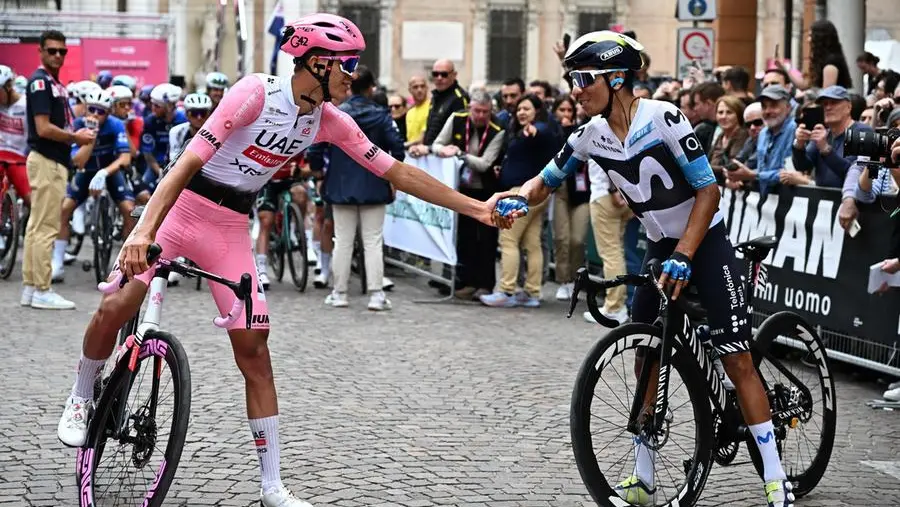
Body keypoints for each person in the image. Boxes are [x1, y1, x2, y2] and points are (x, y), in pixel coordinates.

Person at [55, 14, 513, 507]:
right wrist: (142, 230)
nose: (352, 76)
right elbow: (188, 161)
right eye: (347, 65)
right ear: (317, 62)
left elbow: (396, 172)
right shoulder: (256, 92)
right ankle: (82, 393)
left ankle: (272, 485)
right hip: (180, 207)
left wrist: (478, 208)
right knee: (118, 304)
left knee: (255, 350)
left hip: (229, 226)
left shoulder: (329, 120)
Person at [500, 30, 795, 507]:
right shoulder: (589, 134)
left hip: (705, 242)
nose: (575, 88)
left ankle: (776, 479)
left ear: (617, 78)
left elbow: (708, 191)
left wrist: (684, 255)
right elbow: (545, 180)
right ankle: (643, 474)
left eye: (583, 78)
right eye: (572, 78)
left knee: (736, 356)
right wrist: (513, 196)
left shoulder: (665, 118)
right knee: (645, 356)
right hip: (660, 244)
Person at [313, 65, 405, 310]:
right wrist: (393, 177)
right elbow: (397, 147)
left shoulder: (335, 113)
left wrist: (319, 174)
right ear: (371, 88)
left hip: (340, 184)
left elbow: (316, 147)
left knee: (342, 240)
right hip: (375, 182)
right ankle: (376, 295)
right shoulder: (381, 115)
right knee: (373, 240)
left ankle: (340, 292)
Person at [23, 30, 95, 310]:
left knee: (36, 226)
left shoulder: (50, 83)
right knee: (46, 227)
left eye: (62, 51)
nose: (57, 55)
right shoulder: (41, 82)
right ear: (40, 51)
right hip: (47, 161)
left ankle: (31, 288)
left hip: (49, 161)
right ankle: (41, 288)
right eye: (52, 50)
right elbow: (43, 128)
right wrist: (77, 138)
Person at [479, 95, 559, 309]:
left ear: (537, 111)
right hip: (534, 193)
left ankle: (507, 290)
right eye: (519, 109)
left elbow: (541, 133)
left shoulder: (540, 129)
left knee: (508, 240)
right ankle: (532, 292)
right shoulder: (526, 130)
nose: (521, 112)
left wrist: (534, 130)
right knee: (532, 242)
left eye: (526, 108)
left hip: (522, 193)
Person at [52, 90, 135, 282]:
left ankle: (124, 264)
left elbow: (125, 157)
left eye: (101, 111)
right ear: (86, 109)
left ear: (108, 113)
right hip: (86, 171)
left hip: (110, 171)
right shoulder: (78, 125)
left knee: (129, 210)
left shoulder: (116, 125)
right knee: (64, 209)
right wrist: (91, 138)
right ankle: (57, 264)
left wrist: (105, 172)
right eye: (92, 109)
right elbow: (77, 162)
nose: (95, 115)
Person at [430, 90, 505, 300]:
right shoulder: (457, 118)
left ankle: (485, 284)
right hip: (459, 187)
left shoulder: (498, 129)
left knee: (487, 239)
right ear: (470, 108)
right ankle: (464, 280)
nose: (481, 116)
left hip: (486, 189)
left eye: (485, 112)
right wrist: (442, 150)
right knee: (464, 236)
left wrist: (460, 154)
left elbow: (485, 163)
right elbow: (437, 144)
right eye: (477, 111)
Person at [137, 83, 186, 204]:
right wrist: (159, 171)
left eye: (157, 106)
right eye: (152, 104)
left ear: (169, 106)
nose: (152, 108)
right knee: (142, 195)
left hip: (181, 165)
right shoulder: (150, 121)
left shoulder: (184, 119)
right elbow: (147, 152)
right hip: (157, 166)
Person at [0, 65, 32, 209]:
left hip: (20, 158)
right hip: (1, 154)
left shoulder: (27, 105)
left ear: (8, 87)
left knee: (31, 200)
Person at [708, 95, 748, 183]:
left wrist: (705, 169)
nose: (723, 116)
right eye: (720, 112)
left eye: (729, 112)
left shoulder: (743, 135)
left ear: (739, 114)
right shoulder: (720, 136)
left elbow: (733, 166)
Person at [404, 75, 430, 148]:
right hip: (411, 155)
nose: (419, 90)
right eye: (415, 87)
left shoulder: (431, 108)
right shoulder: (409, 112)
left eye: (422, 86)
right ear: (410, 90)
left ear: (427, 88)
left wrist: (401, 145)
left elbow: (423, 139)